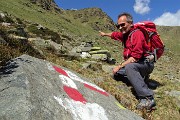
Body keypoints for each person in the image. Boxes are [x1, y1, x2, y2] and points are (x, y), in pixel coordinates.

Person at [99, 12, 156, 111]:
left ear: (130, 23)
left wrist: (120, 65)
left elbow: (135, 57)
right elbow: (114, 34)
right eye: (118, 25)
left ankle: (147, 98)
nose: (120, 27)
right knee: (117, 74)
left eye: (123, 24)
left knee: (129, 67)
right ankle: (141, 80)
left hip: (146, 64)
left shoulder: (137, 34)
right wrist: (104, 34)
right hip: (138, 64)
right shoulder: (125, 35)